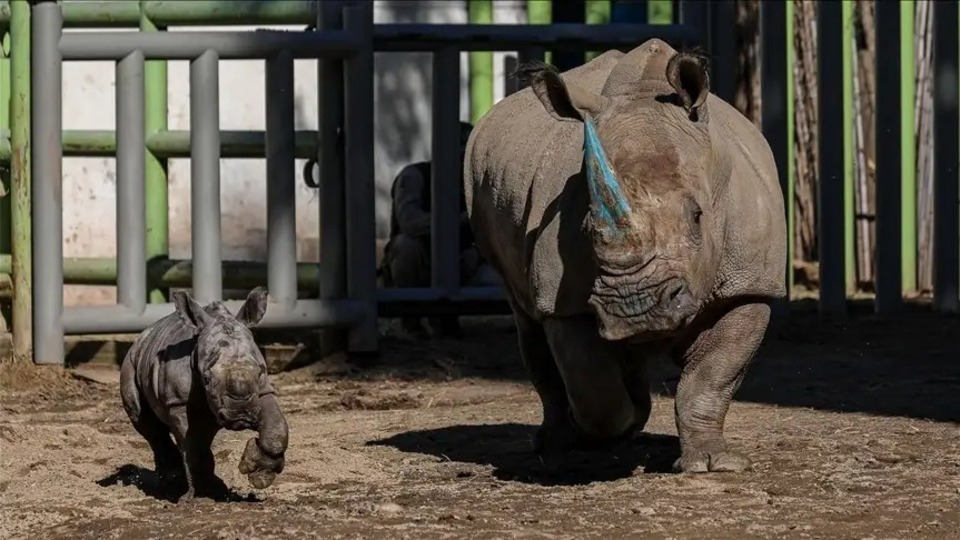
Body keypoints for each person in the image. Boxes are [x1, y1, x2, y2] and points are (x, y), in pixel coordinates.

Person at [380, 121, 484, 338]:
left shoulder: (474, 184)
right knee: (407, 246)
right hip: (418, 255)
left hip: (457, 256)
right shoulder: (415, 176)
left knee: (473, 255)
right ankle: (410, 320)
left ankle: (445, 318)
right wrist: (462, 221)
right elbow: (410, 222)